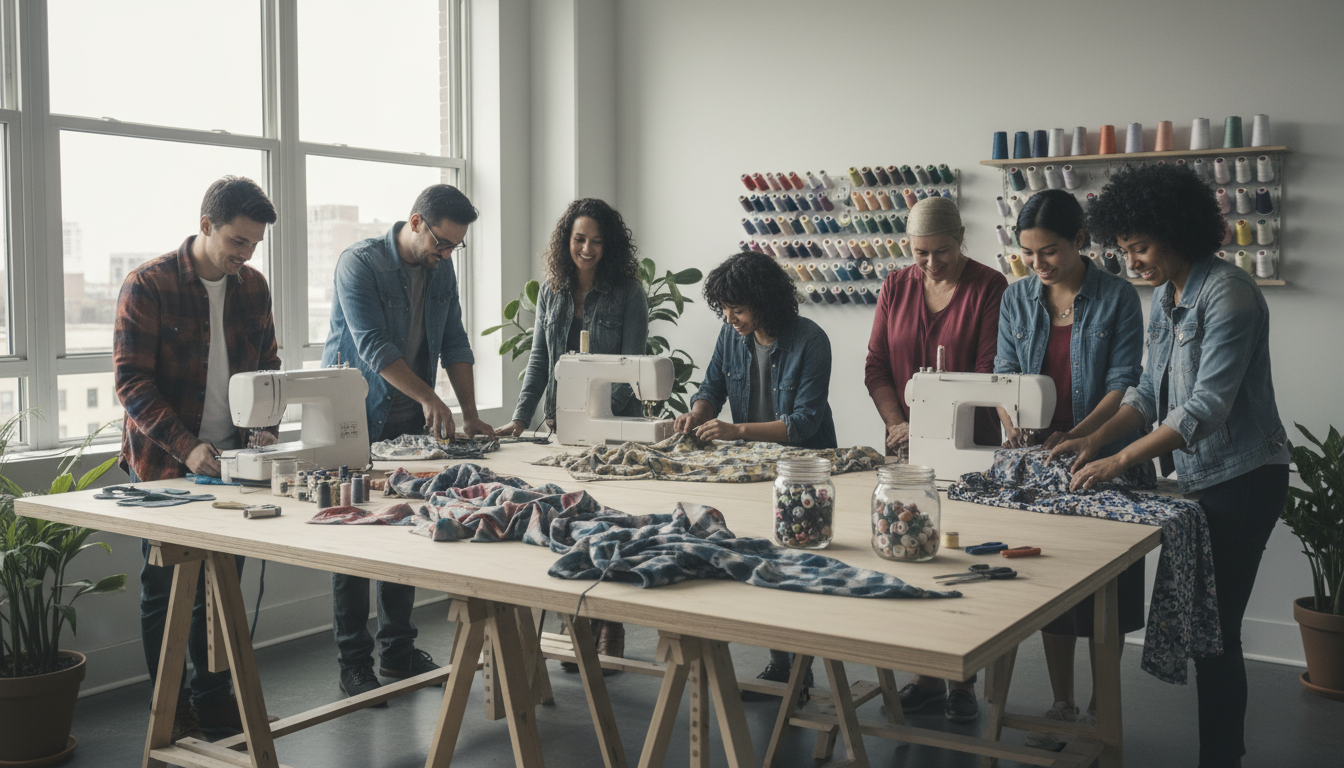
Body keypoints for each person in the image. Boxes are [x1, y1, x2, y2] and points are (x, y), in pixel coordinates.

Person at [1049, 164, 1288, 768]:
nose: (1132, 262)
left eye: (1141, 248)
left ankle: (1221, 759)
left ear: (1178, 232)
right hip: (1205, 479)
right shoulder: (1167, 297)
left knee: (1218, 634)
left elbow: (1206, 406)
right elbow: (1144, 394)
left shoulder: (1229, 294)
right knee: (1209, 633)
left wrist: (1120, 460)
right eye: (1125, 250)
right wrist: (1091, 440)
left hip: (1245, 478)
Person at [114, 176, 280, 739]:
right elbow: (131, 383)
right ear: (206, 225)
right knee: (164, 594)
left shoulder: (253, 286)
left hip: (233, 464)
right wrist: (187, 446)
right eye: (237, 241)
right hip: (163, 465)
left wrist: (265, 427)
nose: (245, 254)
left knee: (220, 593)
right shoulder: (149, 284)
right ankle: (172, 709)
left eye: (254, 244)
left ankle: (214, 703)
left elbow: (268, 367)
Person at [321, 184, 490, 701]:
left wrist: (469, 413)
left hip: (407, 425)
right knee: (351, 537)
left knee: (404, 530)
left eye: (455, 247)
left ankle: (397, 650)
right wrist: (431, 399)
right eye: (441, 243)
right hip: (353, 418)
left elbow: (456, 340)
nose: (446, 255)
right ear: (416, 222)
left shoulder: (442, 267)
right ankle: (353, 661)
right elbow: (372, 345)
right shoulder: (360, 264)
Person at [994, 189, 1147, 749]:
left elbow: (1124, 384)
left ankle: (1099, 706)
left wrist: (1081, 435)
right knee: (1046, 580)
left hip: (1102, 457)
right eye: (1029, 254)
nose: (1038, 265)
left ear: (1080, 241)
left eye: (1049, 252)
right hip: (1037, 460)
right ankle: (1061, 704)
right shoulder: (1016, 299)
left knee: (1104, 589)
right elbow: (1004, 374)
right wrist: (1013, 422)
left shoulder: (1117, 297)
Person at [863, 196, 1006, 722]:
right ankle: (925, 675)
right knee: (912, 551)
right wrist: (897, 422)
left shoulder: (990, 287)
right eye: (919, 253)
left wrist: (926, 424)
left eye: (940, 252)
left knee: (960, 562)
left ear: (960, 238)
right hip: (905, 450)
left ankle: (962, 679)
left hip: (968, 451)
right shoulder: (896, 286)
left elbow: (991, 372)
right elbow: (876, 365)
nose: (928, 264)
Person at [673, 249, 836, 698]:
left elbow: (803, 422)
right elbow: (711, 388)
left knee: (796, 565)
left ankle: (800, 670)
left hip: (801, 470)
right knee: (764, 558)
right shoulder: (731, 337)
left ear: (765, 302)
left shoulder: (811, 340)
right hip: (754, 469)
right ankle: (781, 665)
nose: (730, 318)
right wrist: (698, 413)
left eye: (738, 309)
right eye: (724, 309)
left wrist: (734, 430)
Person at [496, 198, 648, 670]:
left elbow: (633, 369)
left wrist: (601, 420)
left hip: (611, 428)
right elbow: (540, 361)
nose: (587, 248)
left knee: (611, 524)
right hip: (561, 427)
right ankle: (577, 623)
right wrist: (521, 419)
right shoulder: (552, 292)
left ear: (610, 245)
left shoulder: (628, 292)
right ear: (567, 241)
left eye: (597, 241)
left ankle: (610, 625)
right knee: (570, 523)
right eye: (579, 239)